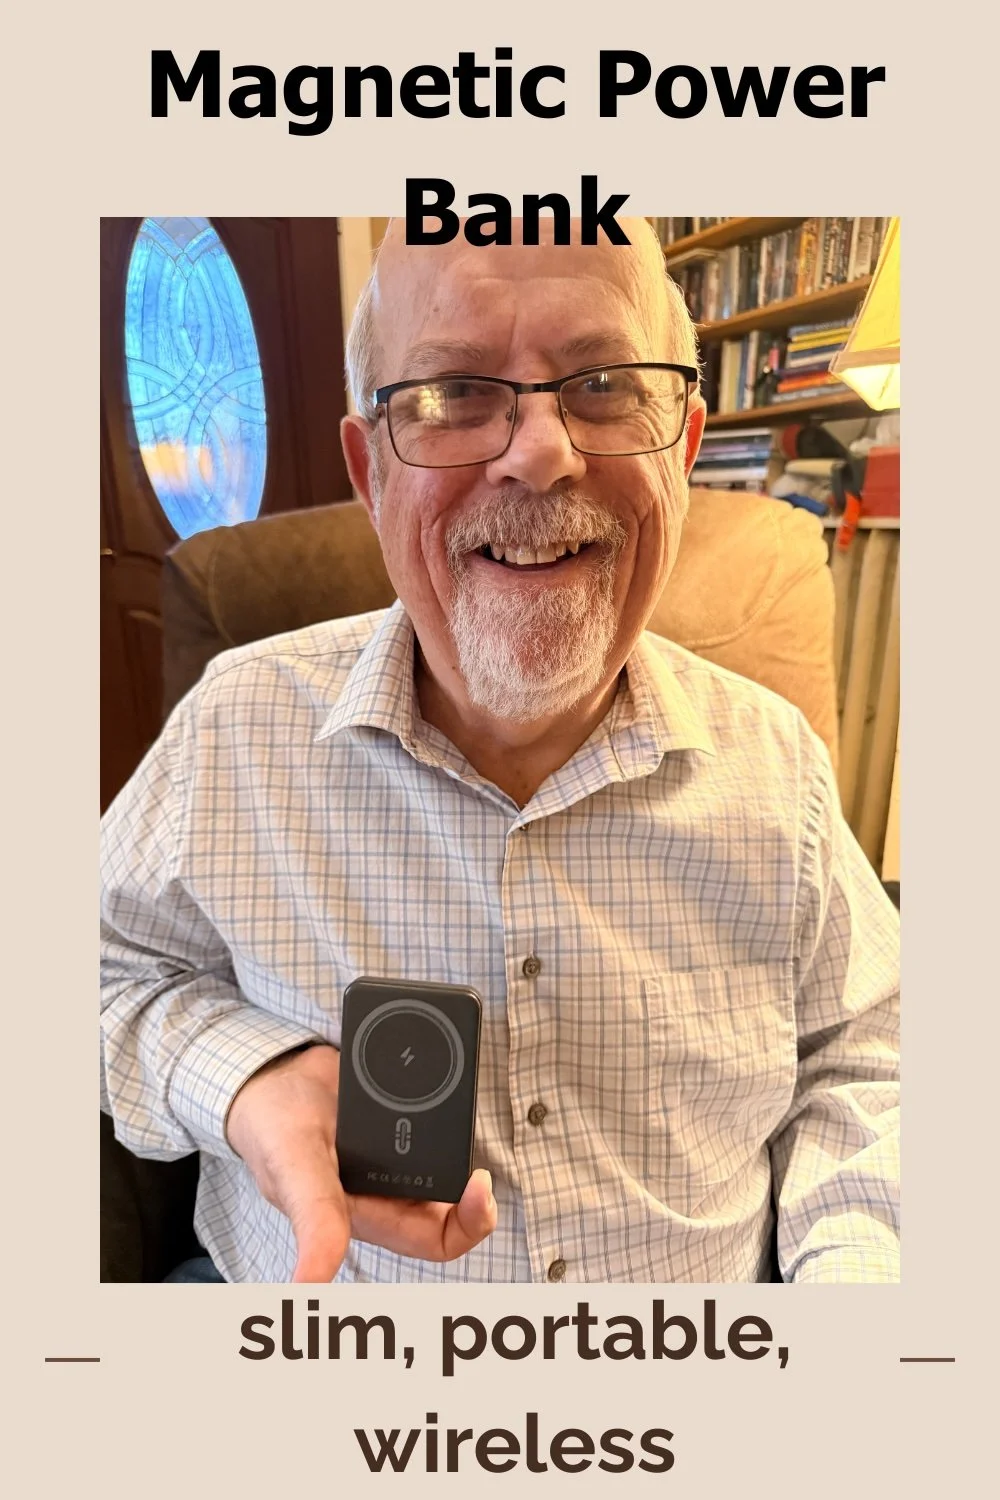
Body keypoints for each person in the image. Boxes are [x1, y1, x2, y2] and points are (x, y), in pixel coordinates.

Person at [100, 218, 900, 1284]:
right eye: (452, 394)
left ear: (686, 444)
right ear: (369, 468)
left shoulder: (776, 764)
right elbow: (97, 968)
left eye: (605, 382)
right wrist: (241, 1080)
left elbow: (866, 1052)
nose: (538, 452)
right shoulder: (235, 731)